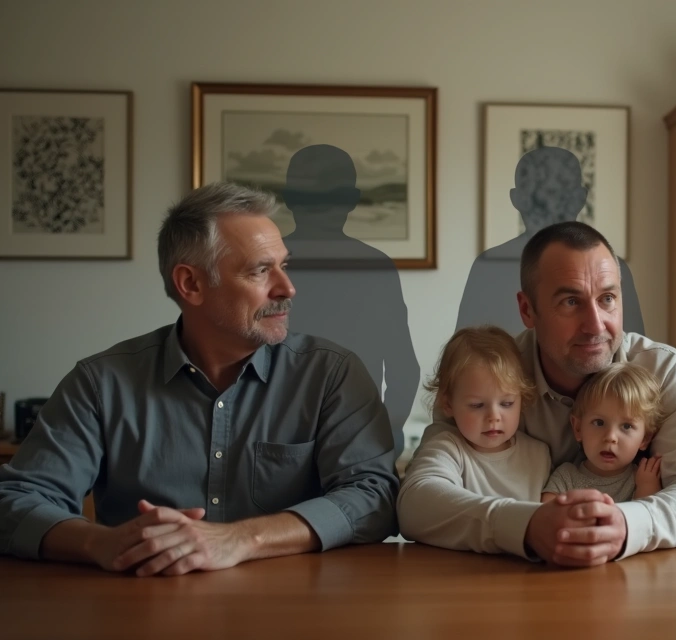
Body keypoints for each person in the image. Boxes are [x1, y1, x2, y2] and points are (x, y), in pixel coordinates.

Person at [0, 182, 399, 575]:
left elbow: (374, 497)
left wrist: (242, 539)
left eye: (284, 264)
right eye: (261, 270)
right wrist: (101, 542)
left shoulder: (331, 373)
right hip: (138, 605)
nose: (287, 287)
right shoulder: (100, 383)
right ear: (190, 284)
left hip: (291, 610)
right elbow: (14, 500)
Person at [400, 221, 676, 566]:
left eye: (607, 299)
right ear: (527, 310)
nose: (596, 324)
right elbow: (417, 502)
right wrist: (525, 526)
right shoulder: (484, 378)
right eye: (571, 301)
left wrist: (628, 525)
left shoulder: (663, 373)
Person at [280, 144, 420, 450]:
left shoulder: (375, 268)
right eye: (312, 200)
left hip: (351, 430)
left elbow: (403, 367)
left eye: (332, 198)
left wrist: (387, 427)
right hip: (283, 430)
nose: (322, 209)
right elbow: (404, 367)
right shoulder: (268, 266)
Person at [455, 147, 645, 336]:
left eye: (560, 196)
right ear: (517, 199)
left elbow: (630, 355)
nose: (551, 206)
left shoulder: (614, 269)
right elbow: (466, 353)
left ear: (580, 199)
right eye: (539, 198)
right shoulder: (488, 268)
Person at [402, 326, 551, 551]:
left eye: (507, 404)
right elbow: (414, 505)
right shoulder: (448, 448)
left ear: (523, 398)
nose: (493, 417)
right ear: (448, 404)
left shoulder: (540, 454)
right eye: (477, 405)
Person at [541, 362, 665, 504]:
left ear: (645, 438)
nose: (610, 437)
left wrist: (647, 487)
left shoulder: (640, 479)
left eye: (626, 426)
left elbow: (647, 520)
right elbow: (547, 514)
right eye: (599, 423)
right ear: (578, 428)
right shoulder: (566, 476)